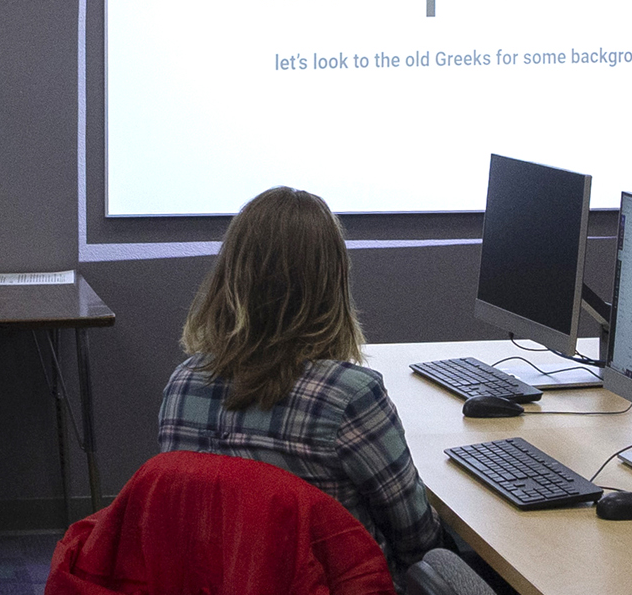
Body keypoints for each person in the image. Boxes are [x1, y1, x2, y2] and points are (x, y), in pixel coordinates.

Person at [157, 186, 445, 571]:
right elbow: (418, 541)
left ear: (228, 276)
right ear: (332, 281)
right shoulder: (349, 399)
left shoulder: (182, 387)